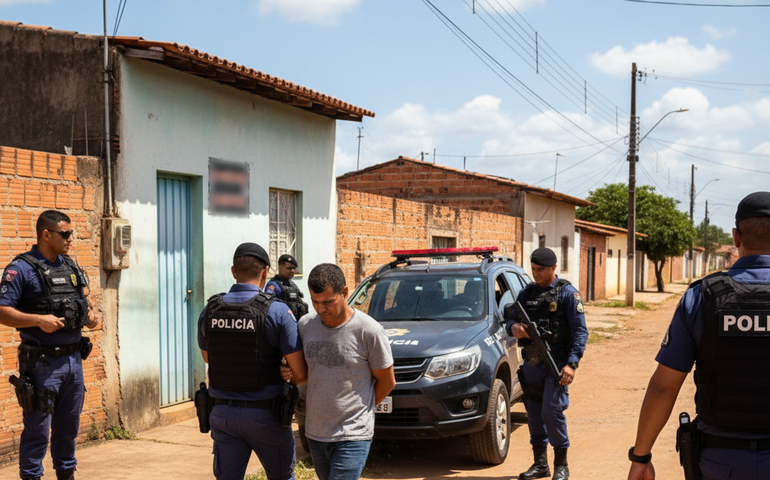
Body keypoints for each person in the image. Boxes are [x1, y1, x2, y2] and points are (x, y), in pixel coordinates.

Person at [628, 191, 770, 480]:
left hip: (722, 462)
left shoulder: (703, 297)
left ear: (736, 237)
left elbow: (664, 386)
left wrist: (641, 456)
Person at [197, 242, 307, 480]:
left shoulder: (211, 309)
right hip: (266, 416)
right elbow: (299, 373)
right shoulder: (277, 311)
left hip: (223, 414)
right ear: (266, 272)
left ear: (233, 271)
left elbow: (208, 358)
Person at [0, 210, 97, 480]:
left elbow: (82, 303)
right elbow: (2, 311)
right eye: (65, 234)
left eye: (71, 234)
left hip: (73, 362)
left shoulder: (70, 266)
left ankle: (67, 474)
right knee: (38, 430)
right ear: (46, 234)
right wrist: (37, 320)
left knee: (68, 429)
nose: (70, 239)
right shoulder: (22, 269)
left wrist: (91, 316)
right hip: (42, 364)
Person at [298, 263, 395, 480]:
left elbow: (387, 382)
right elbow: (304, 374)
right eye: (315, 302)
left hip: (353, 434)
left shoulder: (368, 331)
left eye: (328, 302)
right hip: (316, 434)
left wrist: (361, 410)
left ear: (344, 293)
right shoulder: (306, 325)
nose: (321, 309)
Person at [506, 247, 588, 480]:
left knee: (551, 411)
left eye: (541, 269)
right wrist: (515, 328)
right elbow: (510, 319)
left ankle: (561, 465)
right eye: (533, 269)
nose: (536, 273)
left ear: (554, 268)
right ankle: (540, 464)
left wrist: (572, 364)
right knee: (533, 413)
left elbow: (580, 332)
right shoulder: (526, 294)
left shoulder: (567, 294)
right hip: (532, 363)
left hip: (557, 364)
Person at [266, 254, 309, 319]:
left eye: (294, 268)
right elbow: (269, 308)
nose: (292, 271)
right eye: (289, 268)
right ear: (280, 267)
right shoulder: (273, 285)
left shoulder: (293, 285)